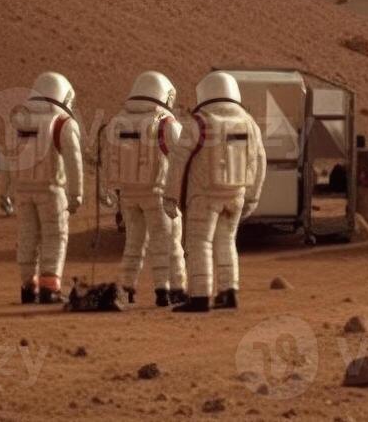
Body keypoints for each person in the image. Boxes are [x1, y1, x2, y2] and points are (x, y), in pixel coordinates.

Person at [164, 72, 265, 313]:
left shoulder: (199, 122)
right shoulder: (249, 123)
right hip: (236, 194)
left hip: (204, 197)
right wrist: (252, 197)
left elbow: (178, 161)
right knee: (227, 242)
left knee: (200, 243)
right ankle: (229, 292)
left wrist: (170, 196)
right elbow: (259, 161)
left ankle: (200, 296)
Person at [100, 71, 188, 307]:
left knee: (133, 243)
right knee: (168, 242)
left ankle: (127, 288)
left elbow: (107, 161)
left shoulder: (116, 123)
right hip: (158, 195)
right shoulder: (166, 123)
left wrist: (109, 191)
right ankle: (169, 290)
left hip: (128, 196)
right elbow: (181, 160)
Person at [0, 72, 84, 304]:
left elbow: (7, 160)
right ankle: (50, 287)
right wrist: (76, 193)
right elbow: (73, 161)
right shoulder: (62, 124)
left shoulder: (18, 123)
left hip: (23, 191)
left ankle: (28, 287)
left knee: (27, 236)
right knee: (54, 236)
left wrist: (4, 190)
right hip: (51, 191)